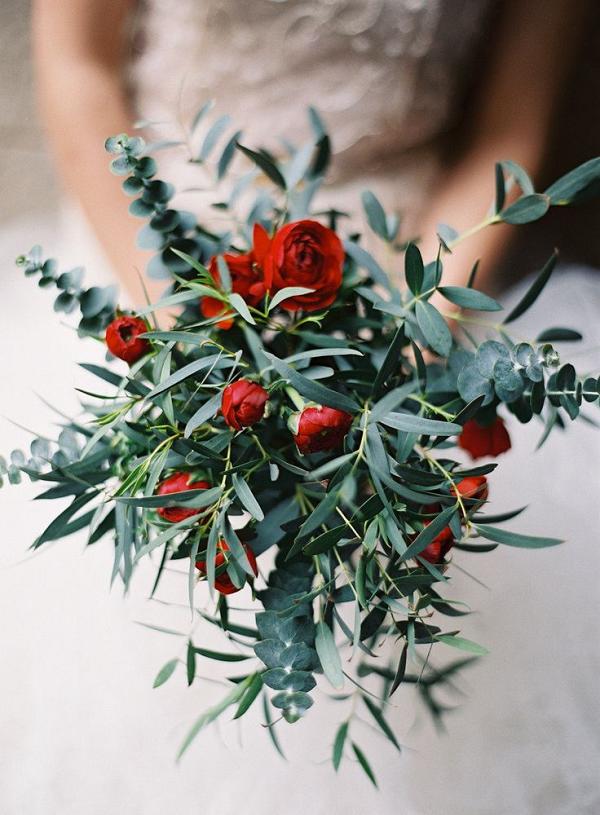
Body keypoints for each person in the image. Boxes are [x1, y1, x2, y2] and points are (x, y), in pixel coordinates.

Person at [0, 1, 597, 812]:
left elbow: (507, 129)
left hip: (424, 271)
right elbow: (80, 71)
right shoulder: (172, 299)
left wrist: (407, 341)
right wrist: (191, 343)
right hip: (157, 261)